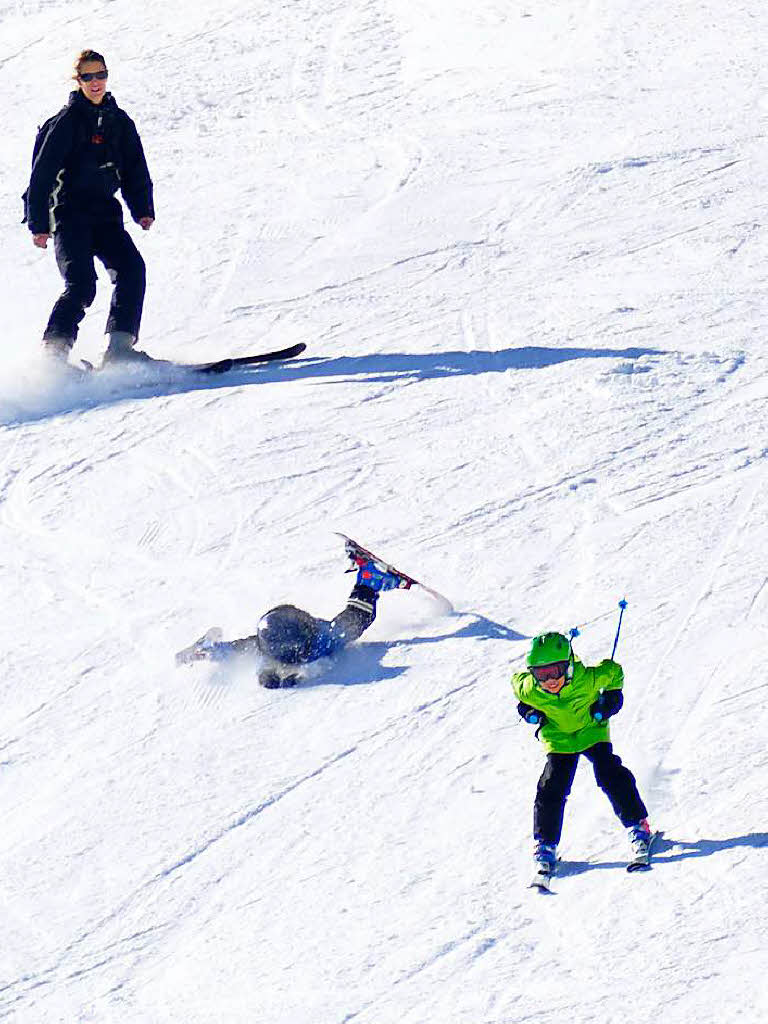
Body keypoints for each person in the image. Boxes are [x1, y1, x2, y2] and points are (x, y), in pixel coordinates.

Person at [23, 49, 155, 366]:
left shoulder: (119, 122)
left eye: (100, 75)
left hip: (106, 216)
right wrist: (39, 223)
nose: (95, 82)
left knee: (132, 270)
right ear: (78, 80)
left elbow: (136, 168)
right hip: (70, 216)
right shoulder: (66, 123)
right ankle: (53, 357)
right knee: (82, 285)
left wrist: (142, 209)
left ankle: (120, 349)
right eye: (88, 76)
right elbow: (41, 175)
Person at [512, 631, 651, 878]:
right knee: (551, 786)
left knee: (609, 774)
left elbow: (614, 671)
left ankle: (638, 825)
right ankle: (545, 844)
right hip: (560, 739)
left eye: (555, 671)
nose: (549, 680)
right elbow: (516, 684)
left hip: (591, 731)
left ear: (568, 665)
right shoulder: (530, 689)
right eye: (541, 674)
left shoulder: (587, 679)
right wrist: (527, 710)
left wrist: (611, 699)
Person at [177, 558, 410, 688]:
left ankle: (369, 578)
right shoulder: (265, 645)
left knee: (353, 622)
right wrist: (197, 653)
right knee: (246, 651)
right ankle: (368, 580)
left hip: (298, 632)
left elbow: (348, 625)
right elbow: (231, 651)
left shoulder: (321, 640)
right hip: (281, 630)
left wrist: (298, 676)